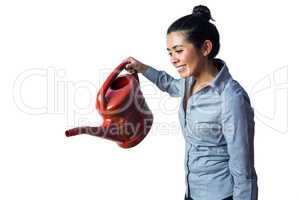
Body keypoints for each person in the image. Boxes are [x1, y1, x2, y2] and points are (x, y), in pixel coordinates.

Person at [124, 5, 258, 200]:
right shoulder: (190, 82)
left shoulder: (231, 98)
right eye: (170, 52)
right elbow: (169, 84)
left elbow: (243, 170)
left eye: (178, 51)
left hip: (221, 196)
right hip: (192, 192)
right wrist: (142, 68)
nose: (173, 59)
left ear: (205, 47)